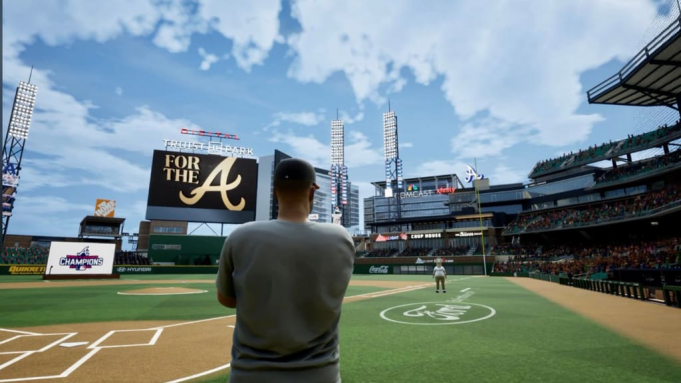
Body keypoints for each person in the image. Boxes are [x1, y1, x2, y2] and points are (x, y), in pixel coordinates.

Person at [216, 158, 355, 383]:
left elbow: (227, 300)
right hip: (321, 375)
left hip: (250, 375)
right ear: (312, 192)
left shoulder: (240, 236)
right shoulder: (340, 237)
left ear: (275, 192)